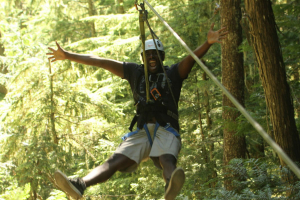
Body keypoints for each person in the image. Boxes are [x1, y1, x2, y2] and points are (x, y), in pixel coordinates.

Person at [47, 23, 227, 200]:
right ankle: (80, 184)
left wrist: (208, 43)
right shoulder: (135, 72)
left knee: (166, 158)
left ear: (161, 56)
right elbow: (101, 62)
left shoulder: (172, 74)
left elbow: (191, 59)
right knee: (115, 161)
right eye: (148, 54)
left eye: (155, 54)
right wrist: (68, 55)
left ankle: (171, 184)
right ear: (143, 58)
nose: (151, 57)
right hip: (142, 131)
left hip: (166, 129)